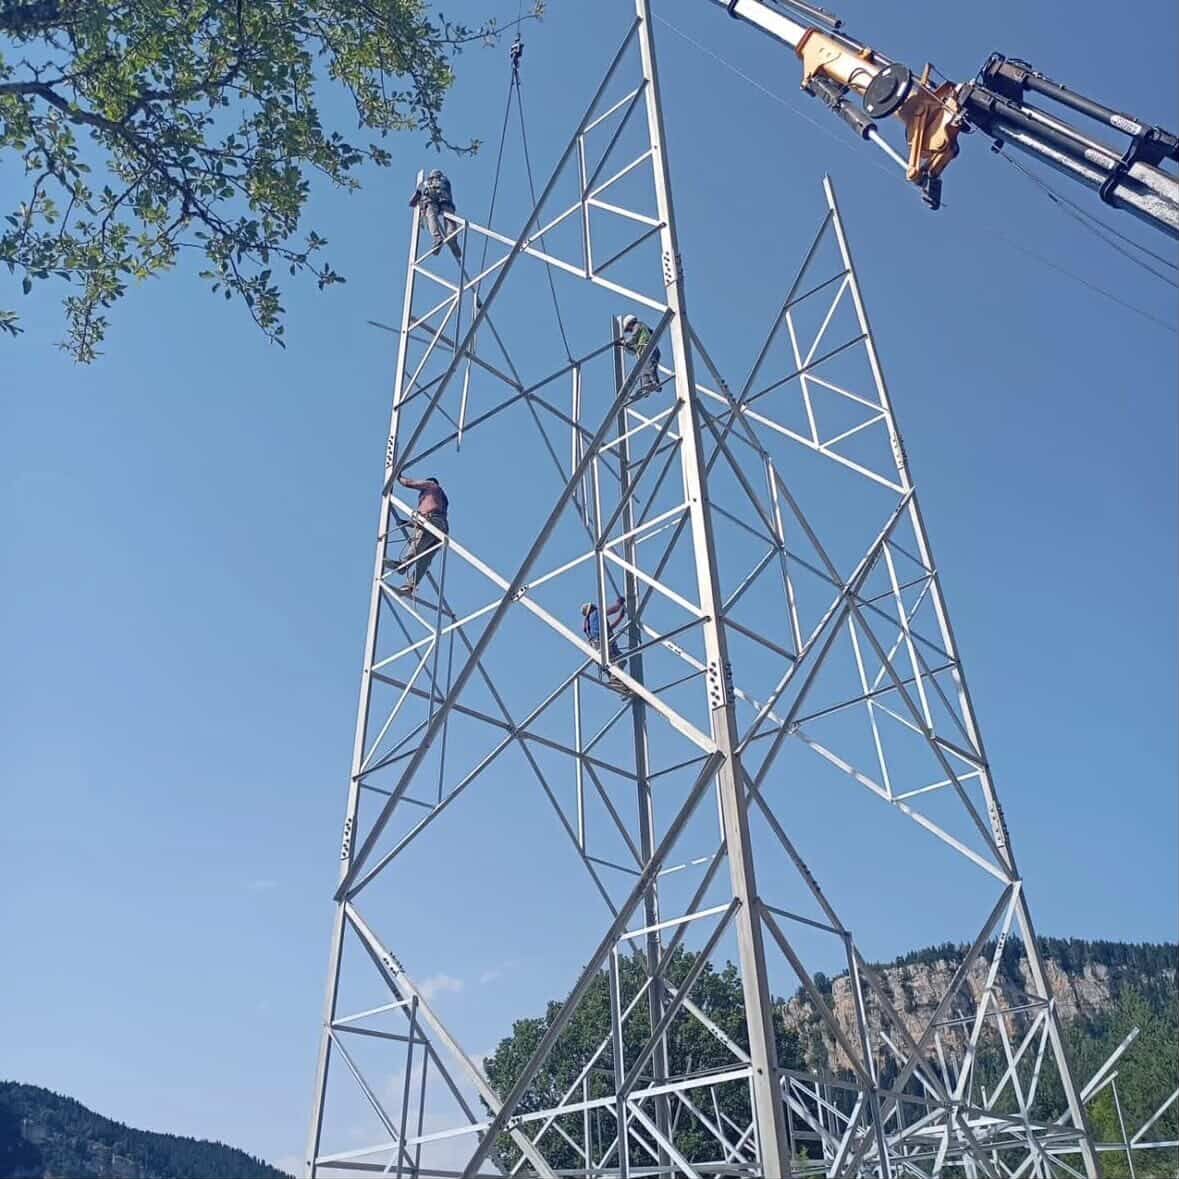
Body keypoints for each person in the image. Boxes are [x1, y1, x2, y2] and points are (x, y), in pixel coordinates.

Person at [396, 473, 450, 594]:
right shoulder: (441, 497)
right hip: (442, 528)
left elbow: (409, 483)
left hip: (431, 521)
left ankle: (404, 564)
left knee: (418, 542)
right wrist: (407, 523)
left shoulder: (431, 486)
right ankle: (410, 586)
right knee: (424, 559)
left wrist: (397, 476)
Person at [409, 169, 462, 260]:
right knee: (440, 217)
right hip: (438, 202)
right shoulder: (439, 181)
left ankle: (445, 238)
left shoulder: (438, 182)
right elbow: (413, 200)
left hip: (437, 201)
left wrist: (421, 192)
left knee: (433, 216)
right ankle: (448, 238)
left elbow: (413, 200)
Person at [582, 597, 628, 690]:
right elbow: (614, 609)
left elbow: (610, 628)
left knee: (612, 664)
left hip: (597, 646)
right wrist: (619, 603)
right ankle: (615, 680)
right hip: (602, 642)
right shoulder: (596, 613)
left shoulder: (591, 622)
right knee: (620, 660)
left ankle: (617, 682)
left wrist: (620, 617)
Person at [619, 313, 661, 398]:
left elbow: (633, 338)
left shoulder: (638, 326)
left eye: (629, 329)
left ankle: (655, 382)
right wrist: (624, 346)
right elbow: (633, 351)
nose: (630, 331)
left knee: (649, 367)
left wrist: (625, 342)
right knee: (643, 372)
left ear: (631, 323)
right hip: (644, 354)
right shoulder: (638, 336)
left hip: (649, 350)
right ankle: (646, 388)